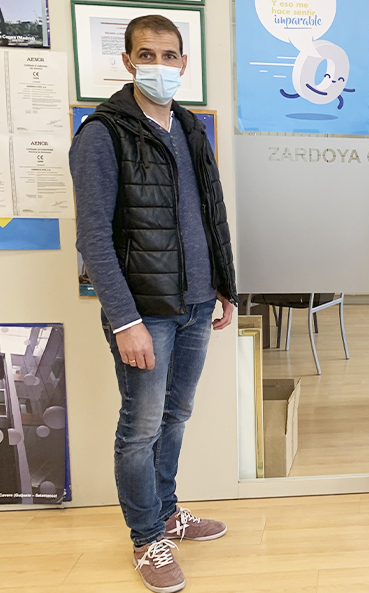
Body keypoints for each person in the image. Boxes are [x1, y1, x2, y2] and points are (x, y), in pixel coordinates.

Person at [71, 15, 238, 593]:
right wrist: (125, 320)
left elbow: (209, 215)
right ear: (128, 62)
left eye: (170, 56)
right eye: (148, 55)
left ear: (184, 63)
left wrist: (222, 284)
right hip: (145, 313)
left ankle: (167, 513)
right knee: (139, 429)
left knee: (176, 416)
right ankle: (147, 538)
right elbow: (93, 238)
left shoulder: (189, 127)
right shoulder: (103, 134)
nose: (160, 66)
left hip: (195, 305)